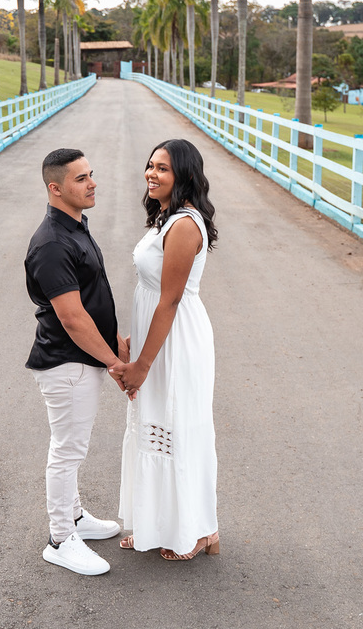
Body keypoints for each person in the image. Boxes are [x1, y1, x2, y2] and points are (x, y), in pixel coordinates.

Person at [111, 138, 220, 561]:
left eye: (163, 169)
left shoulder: (185, 225)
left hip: (177, 341)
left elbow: (170, 300)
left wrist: (141, 363)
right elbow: (151, 292)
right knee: (156, 424)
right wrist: (134, 338)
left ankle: (198, 532)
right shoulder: (165, 216)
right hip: (160, 333)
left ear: (184, 176)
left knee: (179, 426)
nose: (151, 174)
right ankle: (159, 524)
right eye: (150, 165)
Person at [25, 148, 129, 576]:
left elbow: (90, 298)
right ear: (56, 188)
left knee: (73, 448)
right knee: (67, 451)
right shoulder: (51, 243)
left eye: (92, 175)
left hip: (83, 360)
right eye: (81, 178)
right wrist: (113, 362)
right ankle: (60, 538)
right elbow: (71, 316)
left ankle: (77, 519)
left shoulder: (75, 227)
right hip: (67, 364)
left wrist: (113, 346)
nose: (92, 183)